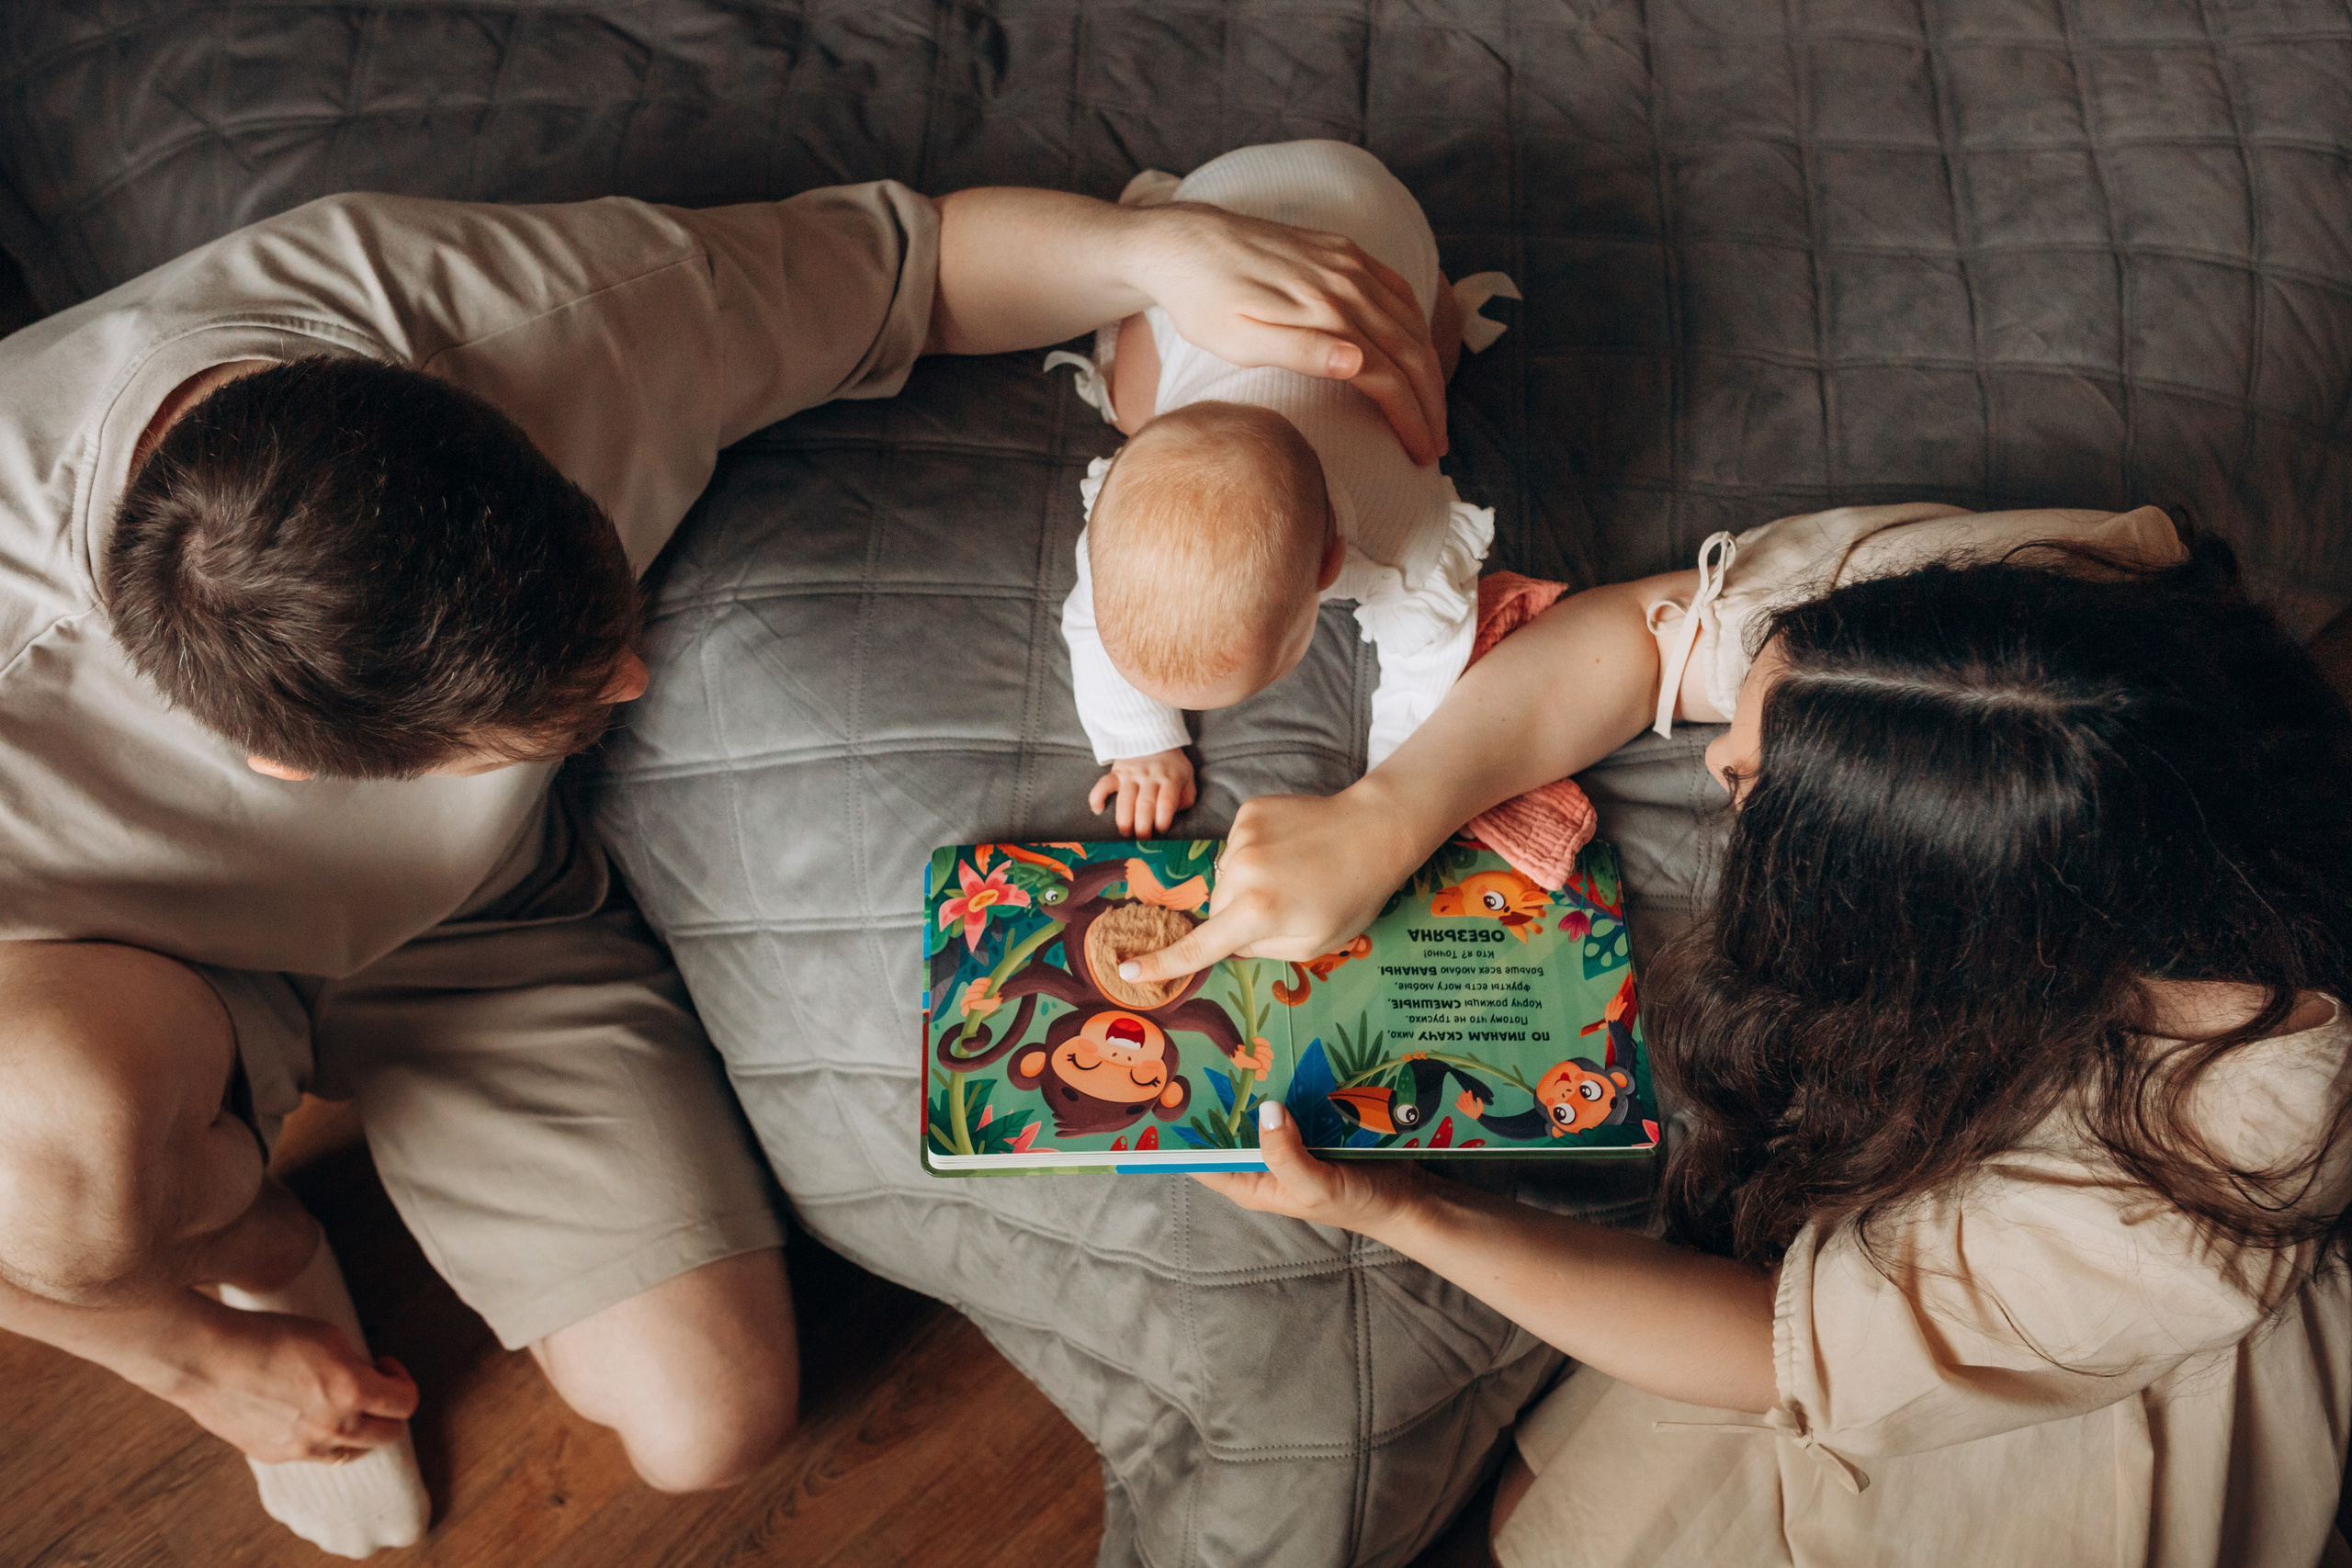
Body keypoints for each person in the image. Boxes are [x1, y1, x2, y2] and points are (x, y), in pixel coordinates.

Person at [0, 176, 1449, 1556]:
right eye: (573, 702)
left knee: (709, 1423)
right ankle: (227, 1222)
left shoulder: (530, 311)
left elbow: (915, 267)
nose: (636, 668)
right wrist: (194, 1355)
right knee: (56, 1162)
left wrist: (1158, 253)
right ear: (291, 766)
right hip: (113, 977)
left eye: (608, 618)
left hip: (475, 914)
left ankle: (206, 1174)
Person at [1129, 516, 2352, 1563]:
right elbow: (1644, 632)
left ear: (1926, 922)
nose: (1715, 751)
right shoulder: (2038, 619)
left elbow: (1779, 1349)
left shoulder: (2194, 1191)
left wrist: (1389, 1208)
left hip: (2076, 1374)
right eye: (1750, 716)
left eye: (1752, 787)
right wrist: (1381, 816)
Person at [1048, 140, 1521, 835]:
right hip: (1223, 217)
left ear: (1333, 564)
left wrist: (1393, 794)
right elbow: (1094, 620)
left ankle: (1438, 293)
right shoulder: (1119, 528)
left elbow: (1429, 653)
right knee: (1132, 402)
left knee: (1433, 352)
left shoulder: (1403, 529)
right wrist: (1140, 738)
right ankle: (1158, 214)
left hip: (1377, 224)